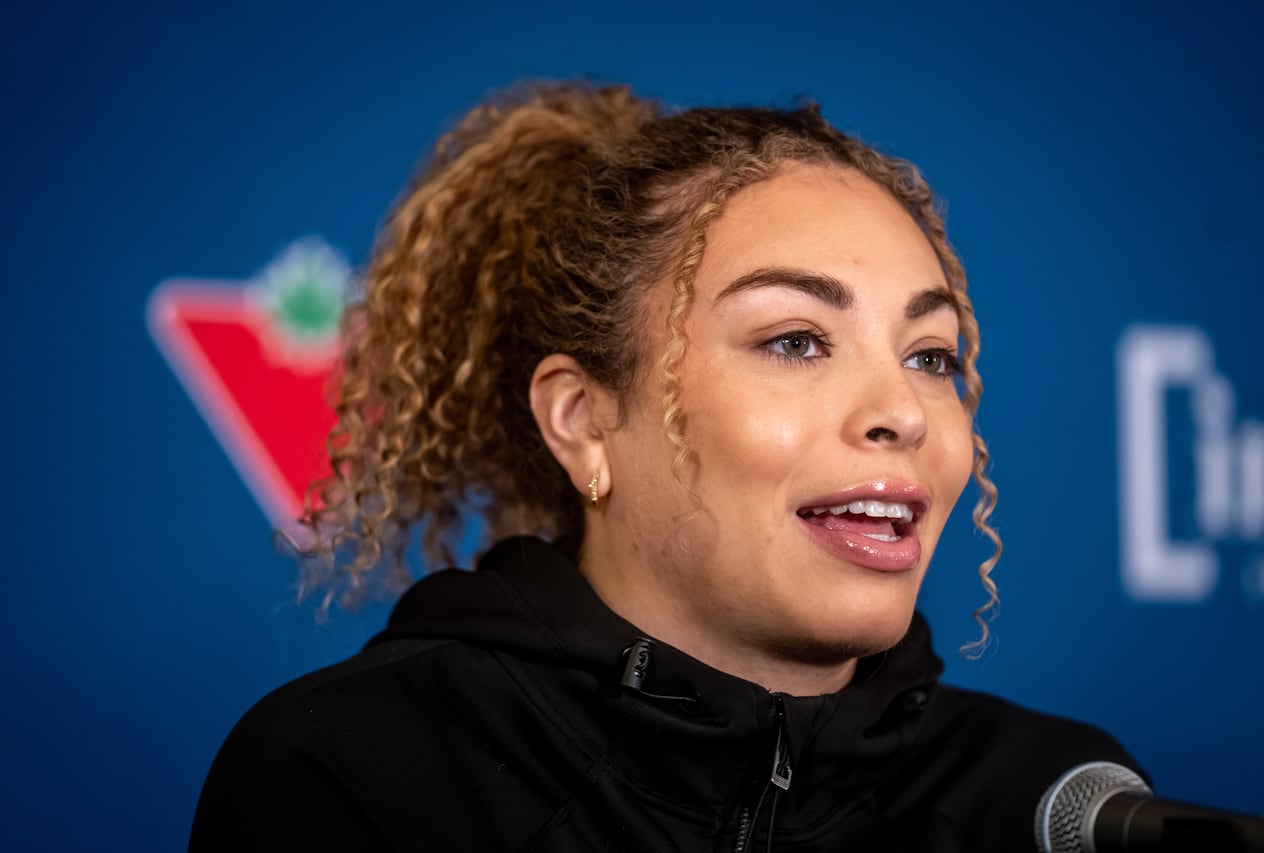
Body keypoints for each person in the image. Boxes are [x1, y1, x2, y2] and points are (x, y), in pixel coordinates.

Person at [191, 81, 1141, 852]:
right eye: (796, 340)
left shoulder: (1055, 805)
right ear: (583, 421)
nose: (901, 411)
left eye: (930, 356)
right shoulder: (356, 774)